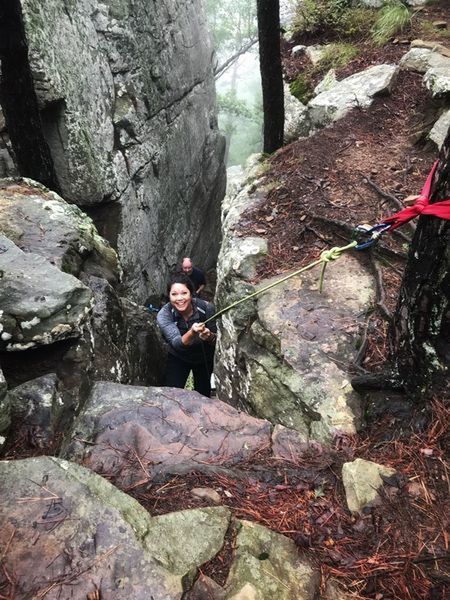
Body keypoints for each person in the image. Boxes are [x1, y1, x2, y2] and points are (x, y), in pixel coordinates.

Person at [157, 273, 216, 397]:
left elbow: (217, 341)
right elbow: (177, 343)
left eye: (184, 293)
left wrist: (209, 336)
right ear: (169, 296)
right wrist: (192, 332)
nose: (179, 298)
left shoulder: (206, 308)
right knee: (171, 393)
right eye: (174, 294)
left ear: (191, 294)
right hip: (178, 357)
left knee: (203, 394)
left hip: (203, 356)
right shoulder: (165, 314)